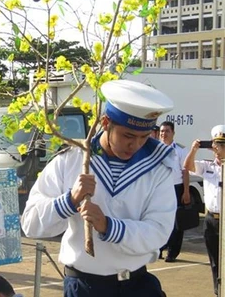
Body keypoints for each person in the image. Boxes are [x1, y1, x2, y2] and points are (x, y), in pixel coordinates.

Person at [21, 80, 176, 297]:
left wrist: (109, 227)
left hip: (137, 285)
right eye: (128, 136)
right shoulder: (71, 159)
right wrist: (68, 201)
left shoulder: (158, 166)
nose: (135, 145)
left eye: (144, 137)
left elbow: (159, 231)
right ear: (105, 122)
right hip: (84, 286)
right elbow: (31, 224)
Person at [183, 124, 224, 296]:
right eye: (215, 145)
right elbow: (188, 166)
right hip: (210, 219)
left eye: (221, 145)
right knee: (214, 260)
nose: (217, 149)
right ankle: (217, 290)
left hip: (224, 220)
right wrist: (194, 150)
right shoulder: (208, 166)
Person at [158, 121, 190, 262]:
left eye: (167, 131)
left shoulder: (180, 150)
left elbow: (185, 172)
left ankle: (172, 252)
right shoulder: (154, 149)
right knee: (158, 219)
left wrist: (186, 191)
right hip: (159, 189)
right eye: (162, 131)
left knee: (177, 223)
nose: (164, 134)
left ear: (173, 133)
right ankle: (158, 249)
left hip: (176, 188)